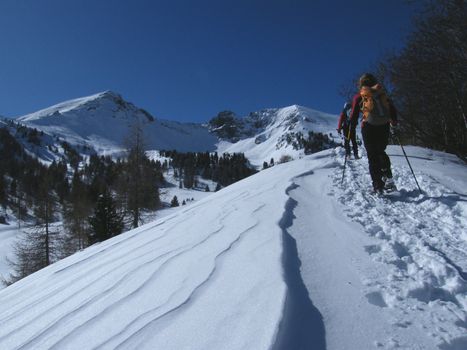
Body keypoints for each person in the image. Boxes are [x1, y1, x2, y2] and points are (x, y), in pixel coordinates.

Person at [349, 73, 398, 193]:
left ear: (361, 84)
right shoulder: (382, 94)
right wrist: (394, 122)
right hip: (384, 126)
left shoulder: (360, 96)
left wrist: (352, 126)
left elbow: (354, 113)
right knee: (381, 151)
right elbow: (391, 108)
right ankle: (389, 178)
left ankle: (378, 185)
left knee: (372, 156)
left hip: (369, 127)